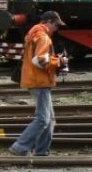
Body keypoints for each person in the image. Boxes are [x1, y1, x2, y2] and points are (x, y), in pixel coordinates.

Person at [9, 11, 69, 157]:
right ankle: (20, 146)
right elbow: (40, 60)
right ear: (48, 22)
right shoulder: (43, 37)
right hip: (39, 81)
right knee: (43, 119)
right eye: (56, 25)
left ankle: (42, 151)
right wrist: (60, 62)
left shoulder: (34, 34)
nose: (57, 28)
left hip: (35, 80)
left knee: (50, 120)